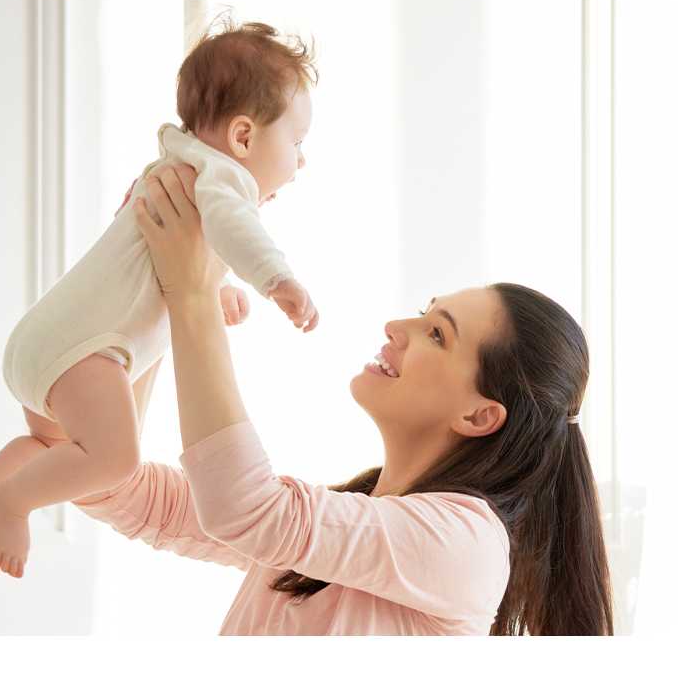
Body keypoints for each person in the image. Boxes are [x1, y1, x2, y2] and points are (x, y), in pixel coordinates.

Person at [72, 164, 614, 636]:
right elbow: (115, 487)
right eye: (423, 313)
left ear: (479, 415)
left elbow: (243, 507)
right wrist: (153, 295)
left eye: (437, 334)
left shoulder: (468, 545)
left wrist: (190, 291)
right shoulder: (336, 522)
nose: (397, 326)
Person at [0, 17, 319, 578]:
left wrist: (217, 288)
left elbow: (157, 261)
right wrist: (278, 280)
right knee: (116, 460)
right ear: (243, 137)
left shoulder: (176, 166)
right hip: (84, 356)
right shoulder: (223, 179)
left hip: (53, 346)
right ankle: (11, 501)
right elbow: (237, 229)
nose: (301, 161)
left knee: (55, 446)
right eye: (296, 143)